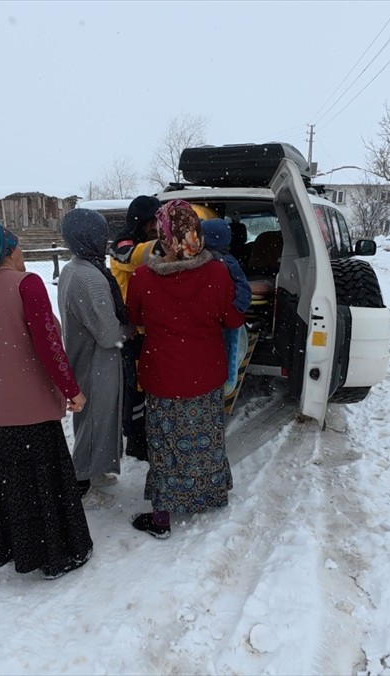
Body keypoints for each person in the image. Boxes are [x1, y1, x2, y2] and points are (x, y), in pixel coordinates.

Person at [0, 217, 93, 580]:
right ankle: (59, 555)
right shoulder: (26, 284)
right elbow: (48, 345)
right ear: (7, 251)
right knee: (46, 487)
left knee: (14, 489)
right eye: (19, 248)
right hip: (30, 409)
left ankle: (21, 551)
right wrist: (70, 389)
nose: (24, 255)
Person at [125, 201, 245, 539]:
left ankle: (161, 518)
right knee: (206, 441)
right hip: (206, 374)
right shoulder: (218, 272)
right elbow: (231, 317)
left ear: (162, 234)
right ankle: (211, 495)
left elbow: (135, 318)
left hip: (162, 376)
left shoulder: (143, 277)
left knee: (165, 447)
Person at [58, 209, 130, 507]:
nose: (106, 239)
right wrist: (130, 329)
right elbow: (108, 333)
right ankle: (80, 483)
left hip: (82, 356)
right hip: (95, 362)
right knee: (94, 419)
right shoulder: (90, 278)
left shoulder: (73, 268)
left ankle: (95, 468)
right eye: (102, 234)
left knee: (92, 418)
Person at [109, 195, 163, 462]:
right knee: (136, 387)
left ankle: (145, 432)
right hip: (131, 330)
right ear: (140, 221)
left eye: (159, 220)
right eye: (152, 220)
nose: (156, 225)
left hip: (148, 327)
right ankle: (136, 439)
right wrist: (166, 244)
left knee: (148, 384)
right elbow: (130, 257)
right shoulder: (124, 242)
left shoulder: (146, 241)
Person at [201, 218, 253, 400]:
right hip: (221, 316)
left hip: (226, 316)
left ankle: (228, 381)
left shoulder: (225, 262)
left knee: (230, 348)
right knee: (227, 348)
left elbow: (243, 288)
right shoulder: (225, 260)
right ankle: (225, 380)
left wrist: (235, 308)